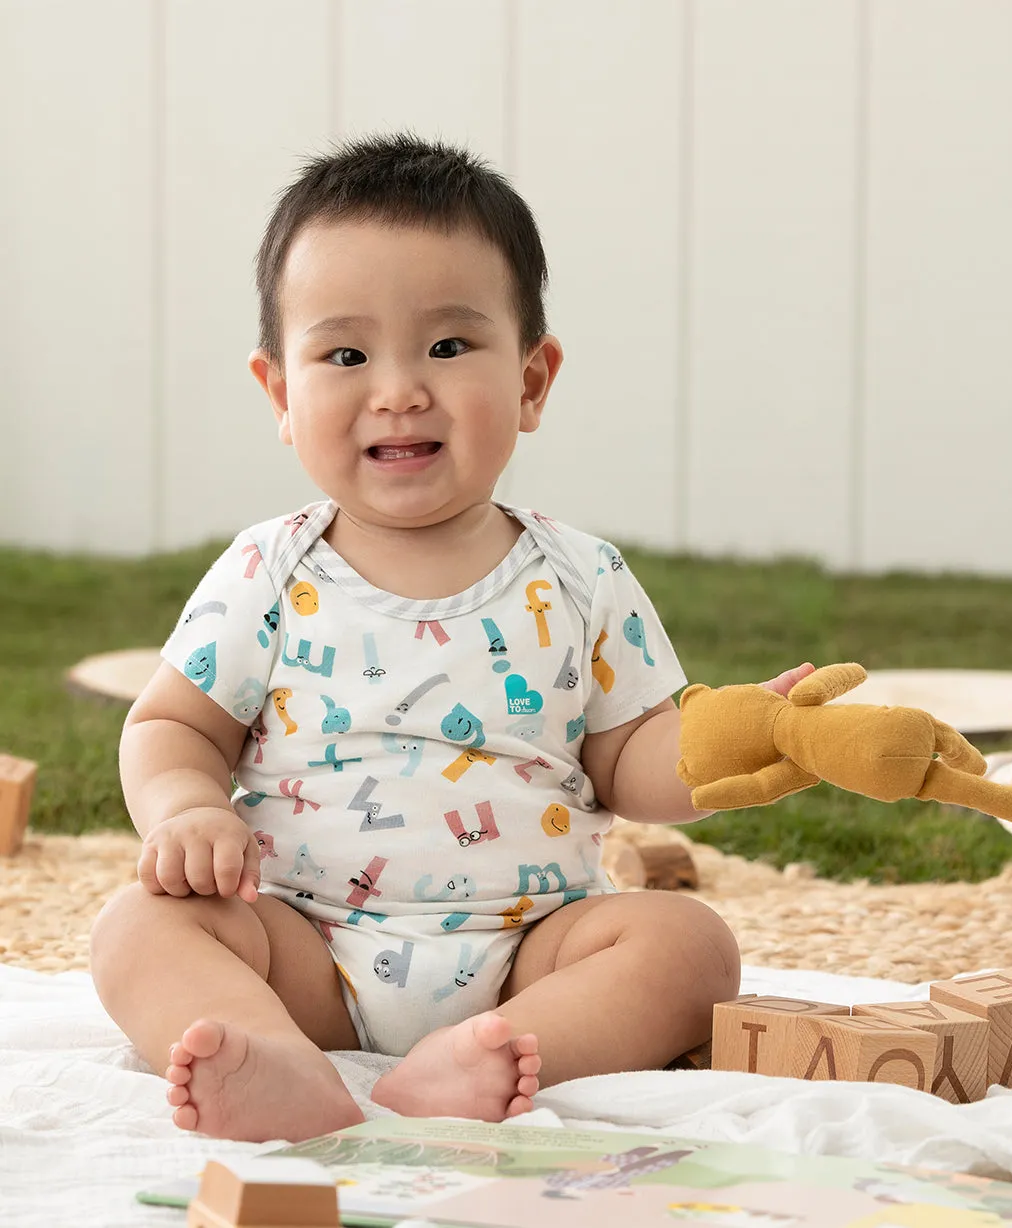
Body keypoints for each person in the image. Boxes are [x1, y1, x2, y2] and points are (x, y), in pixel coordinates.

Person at [89, 132, 813, 1144]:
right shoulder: (269, 571)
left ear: (530, 379)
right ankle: (272, 1057)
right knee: (138, 928)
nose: (398, 389)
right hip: (304, 944)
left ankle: (499, 1051)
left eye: (446, 345)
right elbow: (172, 723)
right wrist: (184, 807)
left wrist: (745, 742)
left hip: (526, 952)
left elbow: (628, 759)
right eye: (345, 354)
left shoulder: (580, 577)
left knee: (687, 944)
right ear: (279, 396)